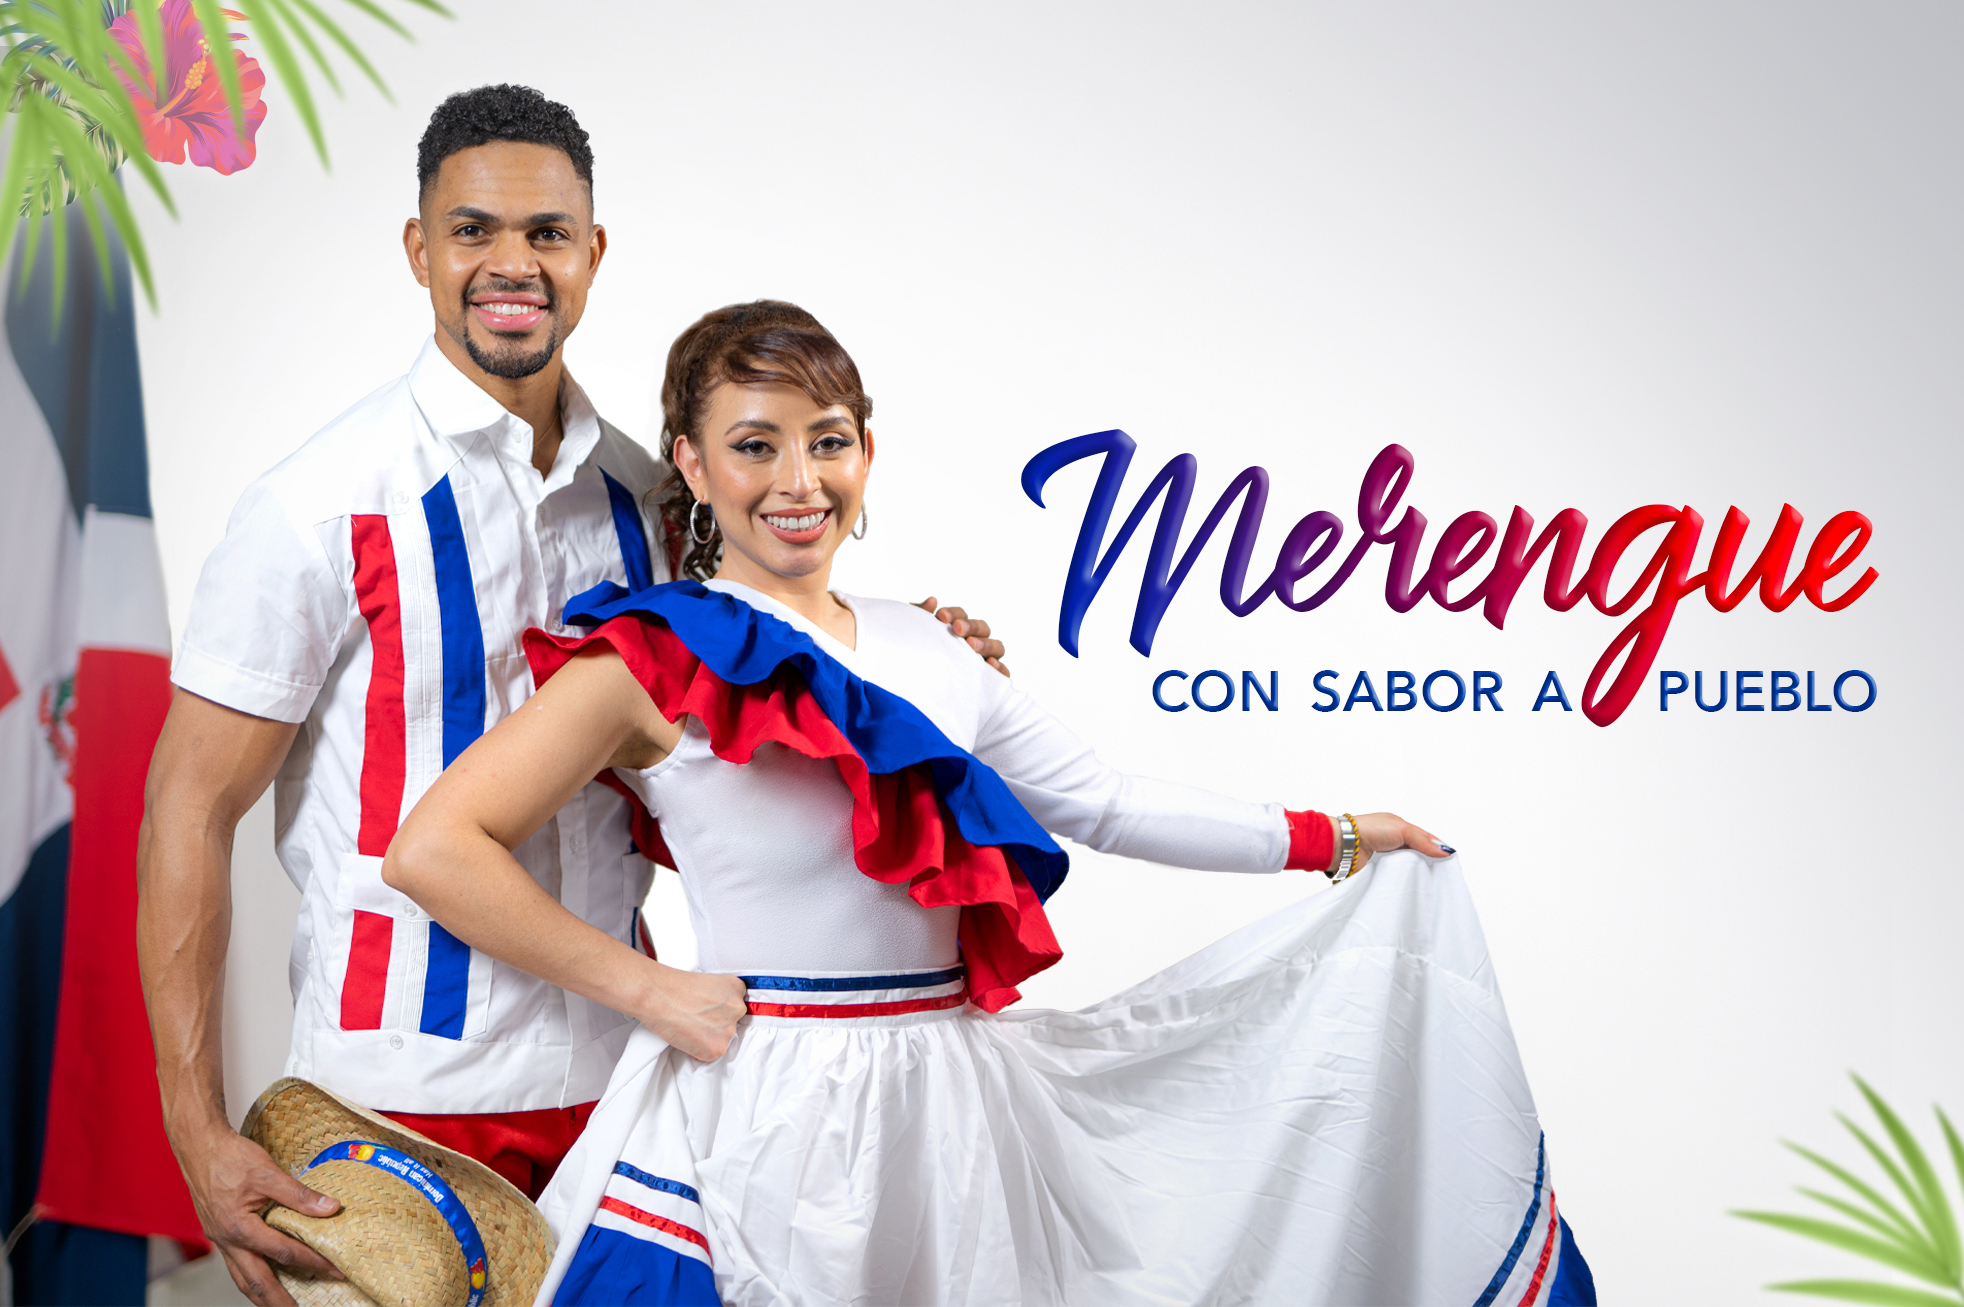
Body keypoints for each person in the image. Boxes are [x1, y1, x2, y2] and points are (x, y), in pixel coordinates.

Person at [384, 301, 1595, 1305]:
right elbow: (436, 846)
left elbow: (1106, 803)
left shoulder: (931, 645)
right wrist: (647, 987)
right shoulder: (651, 655)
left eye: (828, 438)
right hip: (762, 1102)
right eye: (753, 445)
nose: (797, 480)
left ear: (866, 451)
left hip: (950, 1102)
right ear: (692, 463)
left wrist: (1333, 835)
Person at [136, 91, 1007, 1307]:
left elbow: (782, 652)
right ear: (417, 250)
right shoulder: (320, 504)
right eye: (473, 230)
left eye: (547, 233)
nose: (511, 263)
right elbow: (187, 807)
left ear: (592, 253)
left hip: (633, 1077)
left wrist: (927, 648)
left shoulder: (654, 500)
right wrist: (193, 1126)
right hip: (394, 1103)